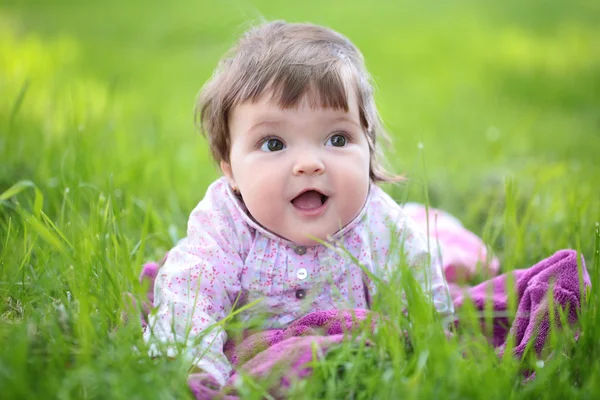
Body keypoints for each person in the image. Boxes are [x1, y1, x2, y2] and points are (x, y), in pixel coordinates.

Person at [143, 20, 454, 387]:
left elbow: (417, 289)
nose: (310, 163)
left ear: (368, 147)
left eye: (337, 139)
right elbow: (193, 293)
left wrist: (425, 348)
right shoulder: (224, 224)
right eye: (274, 144)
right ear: (230, 170)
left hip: (350, 358)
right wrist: (198, 366)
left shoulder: (380, 223)